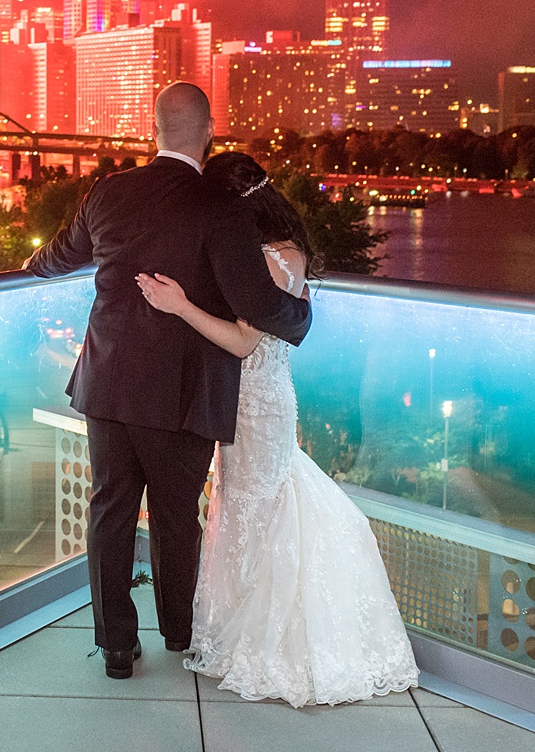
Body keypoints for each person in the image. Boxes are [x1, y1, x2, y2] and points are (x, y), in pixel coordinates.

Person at [25, 83, 311, 679]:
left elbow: (61, 252)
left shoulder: (109, 191)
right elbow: (256, 300)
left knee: (109, 510)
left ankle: (116, 646)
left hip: (106, 383)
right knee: (177, 515)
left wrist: (29, 267)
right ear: (209, 129)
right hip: (179, 392)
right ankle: (178, 632)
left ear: (152, 129)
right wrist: (303, 312)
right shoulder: (218, 207)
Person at [136, 151, 419, 706]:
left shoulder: (268, 260)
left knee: (256, 506)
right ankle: (244, 625)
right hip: (256, 397)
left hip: (257, 402)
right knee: (246, 505)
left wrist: (180, 305)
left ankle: (272, 639)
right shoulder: (284, 250)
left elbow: (244, 342)